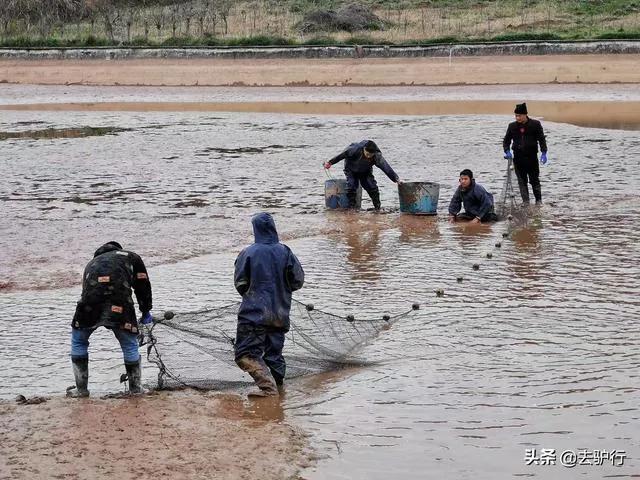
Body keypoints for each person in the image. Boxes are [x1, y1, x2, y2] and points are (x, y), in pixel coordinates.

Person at [68, 241, 152, 397]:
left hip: (89, 305)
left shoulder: (91, 263)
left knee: (79, 341)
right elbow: (143, 284)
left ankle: (81, 390)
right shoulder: (131, 256)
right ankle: (135, 389)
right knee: (129, 344)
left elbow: (87, 290)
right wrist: (146, 311)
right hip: (120, 303)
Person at [234, 212, 304, 397]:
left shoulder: (248, 252)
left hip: (253, 314)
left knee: (245, 354)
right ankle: (279, 389)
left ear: (256, 229)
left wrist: (253, 296)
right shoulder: (286, 251)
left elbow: (240, 283)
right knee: (274, 355)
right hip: (280, 313)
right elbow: (297, 281)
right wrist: (280, 293)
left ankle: (268, 389)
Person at [324, 140, 402, 210]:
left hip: (366, 171)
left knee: (372, 187)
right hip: (351, 169)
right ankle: (352, 208)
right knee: (352, 185)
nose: (368, 156)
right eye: (367, 154)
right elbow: (341, 155)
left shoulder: (377, 156)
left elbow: (386, 168)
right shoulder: (354, 149)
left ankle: (377, 208)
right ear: (364, 149)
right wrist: (330, 162)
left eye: (370, 155)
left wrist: (396, 179)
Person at [503, 102, 548, 205]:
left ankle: (538, 201)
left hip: (531, 157)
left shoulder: (535, 124)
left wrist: (544, 153)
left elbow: (541, 139)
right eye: (516, 115)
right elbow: (506, 141)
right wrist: (507, 151)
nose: (517, 118)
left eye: (519, 115)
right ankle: (526, 202)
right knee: (522, 181)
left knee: (534, 180)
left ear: (525, 115)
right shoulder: (512, 126)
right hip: (518, 158)